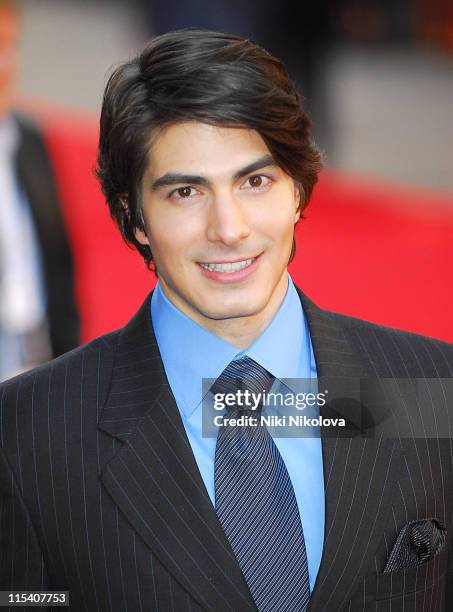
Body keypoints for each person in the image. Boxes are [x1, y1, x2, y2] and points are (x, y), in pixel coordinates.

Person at [0, 30, 452, 612]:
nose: (229, 228)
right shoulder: (28, 435)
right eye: (186, 192)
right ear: (134, 217)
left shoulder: (427, 393)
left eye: (255, 181)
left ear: (298, 190)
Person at [0, 0, 79, 381]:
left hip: (36, 353)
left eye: (9, 47)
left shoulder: (29, 140)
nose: (5, 66)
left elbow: (58, 262)